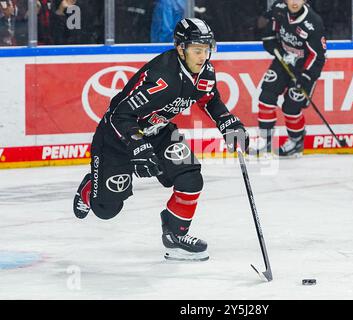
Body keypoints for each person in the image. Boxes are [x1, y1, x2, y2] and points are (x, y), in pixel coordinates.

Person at [73, 18, 249, 262]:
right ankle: (90, 188)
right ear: (180, 48)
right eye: (197, 50)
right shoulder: (162, 78)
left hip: (159, 132)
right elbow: (120, 115)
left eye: (206, 50)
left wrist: (227, 122)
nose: (203, 56)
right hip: (117, 138)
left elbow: (209, 99)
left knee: (190, 177)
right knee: (106, 209)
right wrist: (139, 146)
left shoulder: (205, 71)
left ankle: (175, 236)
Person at [250, 0, 326, 157]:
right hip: (283, 60)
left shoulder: (313, 22)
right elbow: (268, 28)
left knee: (291, 107)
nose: (294, 2)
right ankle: (265, 140)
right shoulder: (279, 9)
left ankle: (296, 141)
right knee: (266, 97)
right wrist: (270, 42)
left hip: (303, 69)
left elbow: (317, 56)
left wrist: (305, 76)